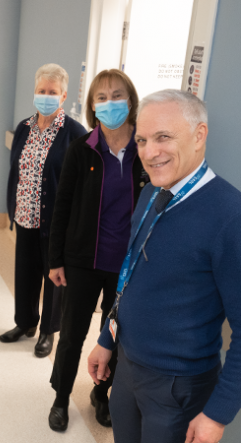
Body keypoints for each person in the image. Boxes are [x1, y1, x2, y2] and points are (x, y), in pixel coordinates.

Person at [88, 90, 241, 443]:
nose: (149, 152)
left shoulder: (229, 216)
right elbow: (132, 277)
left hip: (178, 388)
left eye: (163, 137)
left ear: (199, 135)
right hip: (127, 368)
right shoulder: (151, 195)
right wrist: (107, 340)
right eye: (142, 140)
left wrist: (217, 415)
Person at [46, 69, 147, 432]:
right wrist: (55, 259)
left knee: (115, 333)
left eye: (117, 95)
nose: (109, 104)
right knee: (72, 333)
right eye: (101, 98)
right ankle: (60, 397)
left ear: (131, 101)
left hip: (127, 265)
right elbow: (62, 206)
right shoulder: (82, 150)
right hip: (83, 260)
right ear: (91, 105)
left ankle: (100, 395)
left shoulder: (146, 151)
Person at [2, 63, 87, 357]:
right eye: (42, 91)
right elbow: (16, 170)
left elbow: (82, 183)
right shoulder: (24, 128)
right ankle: (24, 323)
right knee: (24, 275)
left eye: (53, 92)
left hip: (56, 222)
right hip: (25, 216)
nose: (46, 96)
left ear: (63, 97)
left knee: (54, 279)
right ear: (34, 92)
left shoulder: (75, 133)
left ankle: (48, 331)